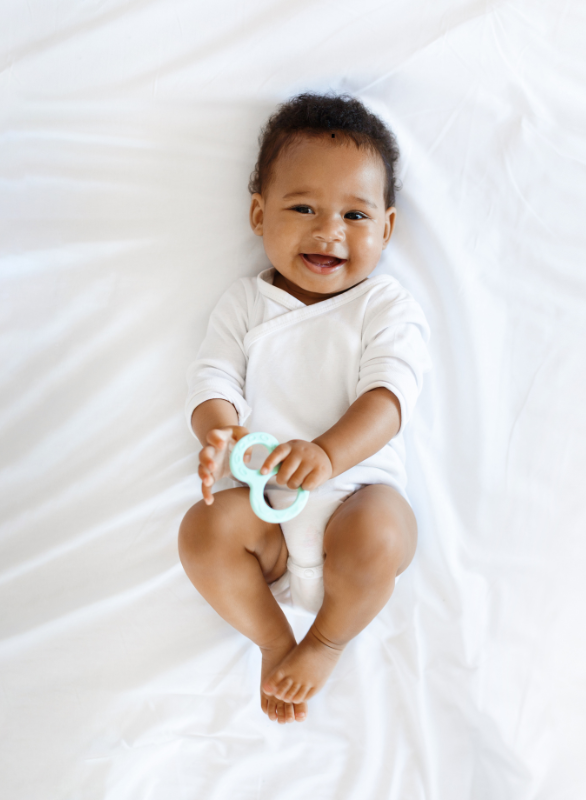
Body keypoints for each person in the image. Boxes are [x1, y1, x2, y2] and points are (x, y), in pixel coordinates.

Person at [178, 93, 430, 725]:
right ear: (259, 215)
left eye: (354, 214)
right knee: (201, 533)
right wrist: (217, 434)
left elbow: (390, 397)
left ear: (387, 229)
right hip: (266, 517)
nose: (329, 231)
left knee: (384, 532)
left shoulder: (384, 306)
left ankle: (325, 642)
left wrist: (326, 453)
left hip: (354, 496)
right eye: (303, 208)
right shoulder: (245, 304)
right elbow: (213, 379)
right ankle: (273, 641)